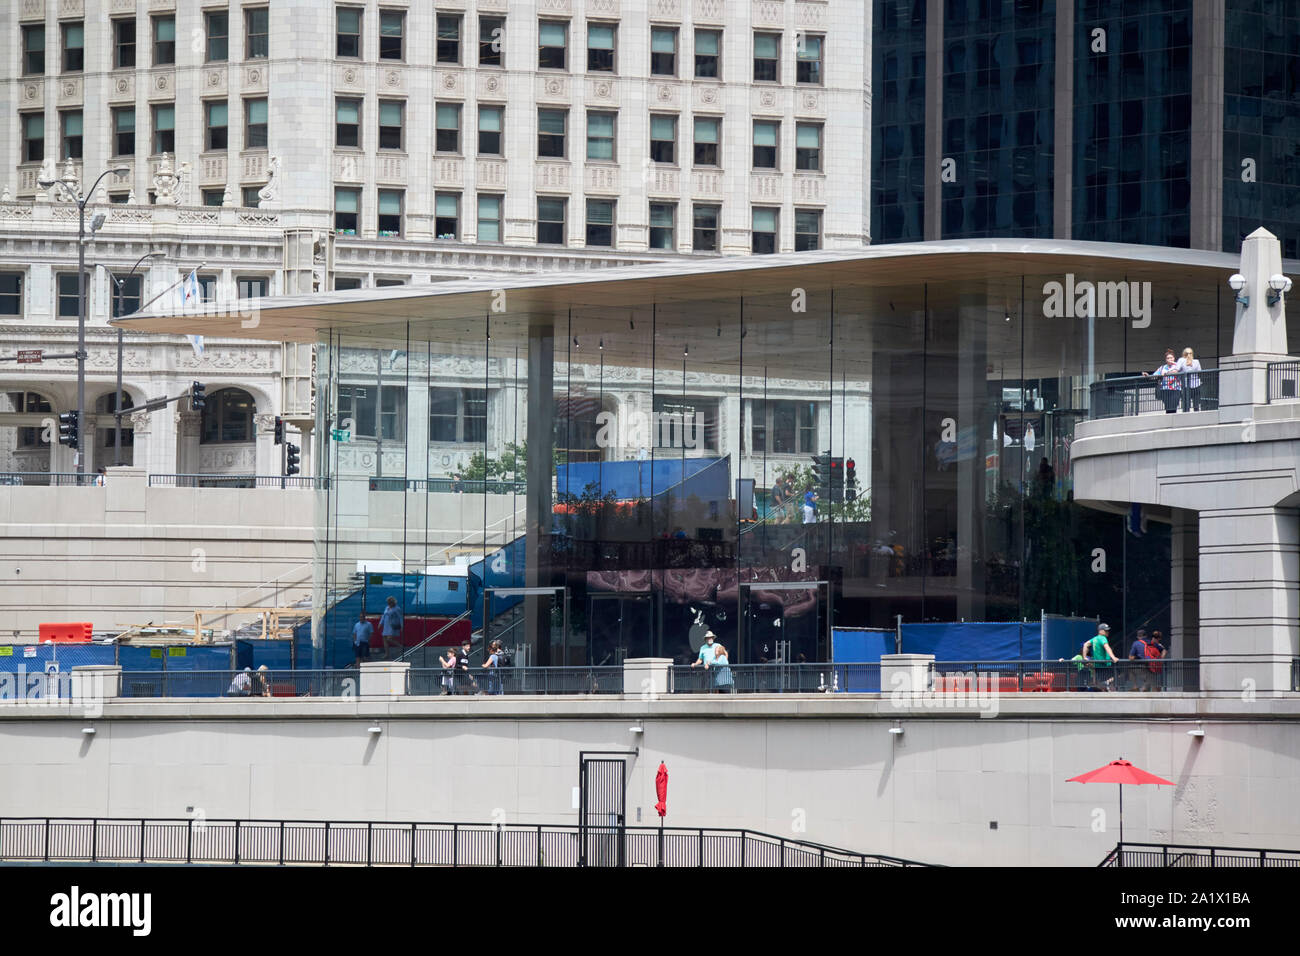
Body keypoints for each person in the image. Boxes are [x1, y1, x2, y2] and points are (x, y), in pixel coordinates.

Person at [1143, 348, 1183, 414]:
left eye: (1171, 358)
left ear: (1174, 358)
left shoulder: (1177, 365)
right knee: (1167, 407)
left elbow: (1184, 370)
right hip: (1165, 390)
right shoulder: (1162, 367)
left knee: (1173, 406)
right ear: (1166, 360)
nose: (1170, 359)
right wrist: (1148, 376)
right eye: (1168, 358)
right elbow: (1154, 376)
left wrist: (1174, 365)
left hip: (1175, 389)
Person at [1083, 623, 1119, 691]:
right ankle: (1106, 684)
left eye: (1108, 630)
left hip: (1097, 665)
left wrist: (1084, 657)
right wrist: (1113, 657)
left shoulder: (1094, 639)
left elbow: (1085, 644)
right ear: (1100, 631)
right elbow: (1107, 647)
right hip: (1105, 664)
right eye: (1106, 631)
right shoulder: (1103, 638)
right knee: (1117, 674)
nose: (1107, 632)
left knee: (1100, 682)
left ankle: (1105, 685)